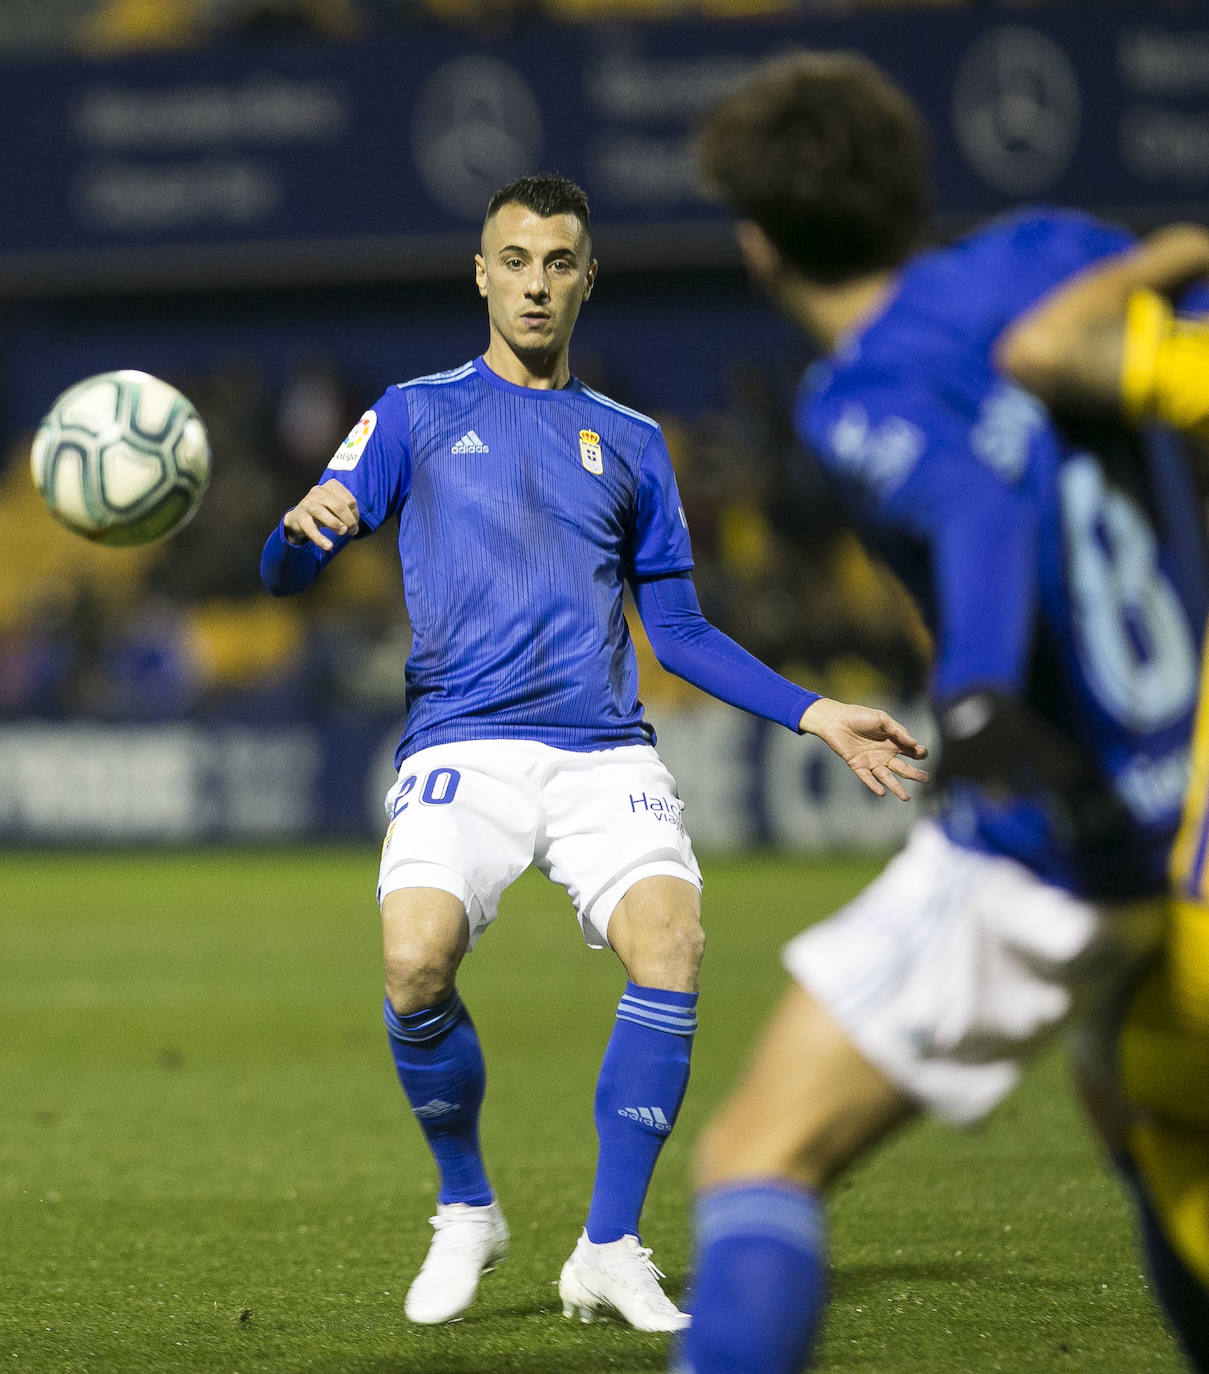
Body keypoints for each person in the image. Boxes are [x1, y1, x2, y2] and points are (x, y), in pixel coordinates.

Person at [259, 172, 928, 1332]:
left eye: (557, 263)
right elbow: (286, 570)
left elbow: (679, 632)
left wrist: (813, 710)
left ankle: (610, 1247)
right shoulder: (413, 414)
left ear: (586, 280)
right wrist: (293, 537)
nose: (535, 284)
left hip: (604, 752)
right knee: (415, 964)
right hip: (461, 737)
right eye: (514, 261)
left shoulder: (632, 442)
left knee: (671, 945)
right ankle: (466, 1205)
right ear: (482, 274)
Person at [676, 51, 1209, 1372]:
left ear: (758, 243)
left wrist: (972, 693)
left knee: (757, 1154)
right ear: (912, 188)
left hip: (1059, 836)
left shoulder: (859, 394)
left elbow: (973, 509)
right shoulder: (1052, 250)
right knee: (1143, 1120)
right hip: (1189, 792)